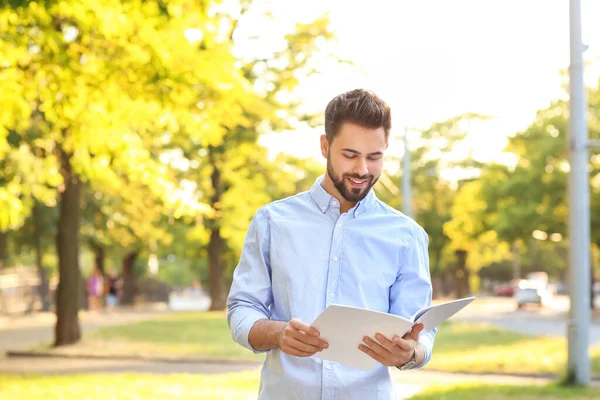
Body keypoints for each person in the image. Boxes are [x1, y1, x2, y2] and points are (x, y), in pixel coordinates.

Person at [227, 89, 435, 399]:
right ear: (325, 146)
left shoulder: (407, 235)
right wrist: (278, 333)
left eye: (374, 157)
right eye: (350, 155)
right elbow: (242, 308)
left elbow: (421, 330)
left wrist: (411, 354)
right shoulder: (272, 221)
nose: (362, 170)